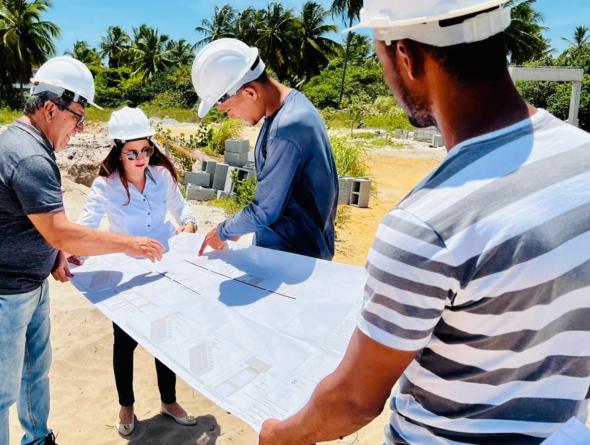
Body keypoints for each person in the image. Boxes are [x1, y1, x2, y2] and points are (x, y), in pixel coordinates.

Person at [258, 1, 590, 444]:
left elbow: (354, 402)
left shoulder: (429, 223)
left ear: (407, 58)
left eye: (380, 58)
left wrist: (278, 435)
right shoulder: (582, 158)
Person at [0, 57, 164, 445]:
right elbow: (61, 232)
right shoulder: (30, 155)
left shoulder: (30, 145)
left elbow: (36, 224)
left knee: (35, 371)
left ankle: (37, 438)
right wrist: (130, 244)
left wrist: (54, 256)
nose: (80, 128)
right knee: (0, 388)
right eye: (78, 116)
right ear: (51, 108)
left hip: (25, 283)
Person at [71, 106, 198, 436]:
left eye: (146, 149)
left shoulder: (163, 177)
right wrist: (73, 253)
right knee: (124, 341)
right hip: (126, 271)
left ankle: (169, 402)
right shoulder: (105, 186)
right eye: (132, 152)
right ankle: (127, 406)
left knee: (165, 335)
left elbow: (183, 212)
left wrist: (189, 225)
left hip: (164, 265)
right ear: (118, 151)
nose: (141, 157)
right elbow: (87, 228)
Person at [191, 38, 339, 260]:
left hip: (292, 255)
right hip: (297, 247)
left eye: (228, 109)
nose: (231, 116)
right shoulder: (290, 109)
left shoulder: (287, 126)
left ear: (250, 92)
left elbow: (264, 211)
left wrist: (223, 231)